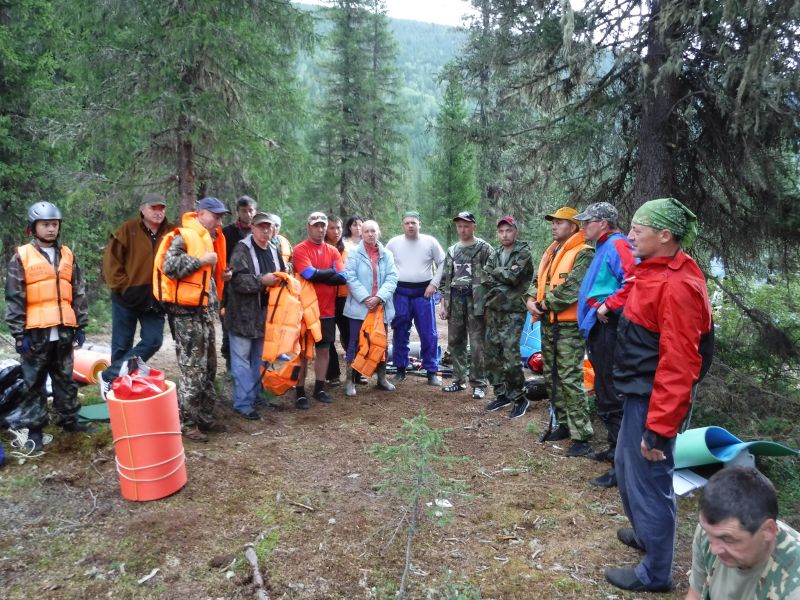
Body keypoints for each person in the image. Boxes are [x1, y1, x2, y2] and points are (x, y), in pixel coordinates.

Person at [605, 197, 713, 593]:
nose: (630, 234)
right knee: (627, 465)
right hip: (639, 392)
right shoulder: (656, 270)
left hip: (655, 399)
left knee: (649, 476)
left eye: (638, 228)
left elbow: (680, 364)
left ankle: (656, 571)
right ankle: (647, 537)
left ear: (664, 235)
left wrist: (659, 429)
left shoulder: (680, 285)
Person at [4, 201, 91, 450]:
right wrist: (19, 335)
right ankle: (34, 428)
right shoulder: (21, 257)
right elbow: (14, 298)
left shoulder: (67, 255)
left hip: (63, 330)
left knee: (65, 377)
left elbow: (78, 292)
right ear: (34, 227)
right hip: (36, 333)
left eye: (54, 224)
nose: (51, 229)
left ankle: (69, 419)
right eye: (45, 224)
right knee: (34, 382)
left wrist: (81, 325)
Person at [154, 197, 229, 443]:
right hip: (185, 315)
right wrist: (200, 261)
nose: (219, 219)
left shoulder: (210, 238)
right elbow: (169, 266)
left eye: (221, 216)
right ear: (200, 214)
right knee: (192, 370)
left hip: (204, 313)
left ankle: (205, 417)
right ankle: (187, 423)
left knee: (209, 368)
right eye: (215, 215)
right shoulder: (183, 236)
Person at [575, 202, 637, 488]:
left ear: (604, 223)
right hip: (599, 330)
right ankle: (615, 450)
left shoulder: (618, 245)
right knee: (604, 390)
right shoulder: (603, 247)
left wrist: (608, 307)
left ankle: (621, 467)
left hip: (611, 329)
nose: (583, 226)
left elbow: (634, 280)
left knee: (612, 393)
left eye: (588, 221)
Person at [526, 207, 595, 456]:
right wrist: (531, 299)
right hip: (548, 323)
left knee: (570, 377)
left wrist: (543, 305)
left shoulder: (584, 253)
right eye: (553, 222)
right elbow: (538, 280)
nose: (554, 226)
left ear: (574, 227)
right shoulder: (552, 251)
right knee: (552, 374)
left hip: (568, 325)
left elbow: (572, 289)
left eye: (560, 223)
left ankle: (582, 436)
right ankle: (564, 424)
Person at [686, 466, 800, 600]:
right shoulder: (710, 532)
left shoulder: (794, 588)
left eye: (727, 539)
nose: (714, 549)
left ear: (768, 531)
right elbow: (695, 594)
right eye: (708, 532)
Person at [100, 193, 172, 399]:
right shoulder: (127, 230)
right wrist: (125, 288)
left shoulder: (172, 231)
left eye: (161, 208)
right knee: (121, 345)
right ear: (142, 209)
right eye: (153, 208)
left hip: (157, 300)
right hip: (126, 299)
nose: (158, 212)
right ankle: (116, 391)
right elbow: (111, 264)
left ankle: (110, 376)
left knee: (153, 340)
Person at [226, 212, 286, 420]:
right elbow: (236, 281)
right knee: (241, 361)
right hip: (242, 316)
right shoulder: (242, 249)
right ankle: (243, 403)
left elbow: (283, 273)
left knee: (259, 359)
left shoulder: (273, 248)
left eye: (268, 227)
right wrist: (262, 281)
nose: (265, 230)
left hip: (265, 316)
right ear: (252, 227)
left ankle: (256, 395)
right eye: (261, 227)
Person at [292, 211, 346, 409]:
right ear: (309, 227)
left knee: (324, 350)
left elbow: (342, 277)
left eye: (323, 225)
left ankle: (319, 388)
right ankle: (299, 391)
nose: (320, 229)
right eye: (316, 225)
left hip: (327, 310)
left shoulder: (333, 250)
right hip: (305, 310)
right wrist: (329, 273)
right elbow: (307, 273)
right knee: (303, 353)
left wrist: (319, 274)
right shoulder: (300, 249)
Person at [482, 216, 535, 418]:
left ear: (516, 231)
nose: (505, 235)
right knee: (492, 353)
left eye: (509, 231)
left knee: (510, 356)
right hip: (494, 309)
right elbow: (485, 277)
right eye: (501, 231)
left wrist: (497, 275)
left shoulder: (523, 252)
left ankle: (519, 397)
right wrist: (500, 277)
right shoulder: (495, 253)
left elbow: (514, 278)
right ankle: (502, 393)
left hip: (513, 310)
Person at [386, 211, 445, 385]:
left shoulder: (430, 242)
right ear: (402, 225)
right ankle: (400, 368)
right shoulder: (393, 243)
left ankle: (431, 370)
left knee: (429, 333)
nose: (410, 225)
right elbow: (385, 264)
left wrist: (434, 284)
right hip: (400, 292)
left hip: (423, 293)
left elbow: (442, 262)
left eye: (413, 222)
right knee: (400, 331)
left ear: (420, 224)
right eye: (407, 223)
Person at [439, 211, 493, 399]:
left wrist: (488, 304)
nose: (463, 229)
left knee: (478, 343)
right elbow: (445, 279)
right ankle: (458, 379)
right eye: (460, 226)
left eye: (466, 226)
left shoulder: (484, 248)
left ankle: (479, 383)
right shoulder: (452, 250)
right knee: (455, 341)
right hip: (455, 299)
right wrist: (444, 304)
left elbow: (493, 277)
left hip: (476, 301)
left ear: (474, 227)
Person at [343, 220, 398, 396]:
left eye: (373, 231)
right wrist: (366, 298)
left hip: (381, 307)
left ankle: (381, 378)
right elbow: (350, 277)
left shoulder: (387, 254)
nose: (370, 234)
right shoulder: (353, 254)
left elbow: (392, 277)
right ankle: (350, 380)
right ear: (361, 234)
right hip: (360, 308)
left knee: (381, 343)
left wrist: (379, 297)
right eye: (366, 231)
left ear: (378, 232)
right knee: (354, 343)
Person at [220, 195, 257, 371]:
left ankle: (252, 365)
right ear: (237, 212)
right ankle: (230, 365)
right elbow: (222, 256)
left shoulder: (260, 231)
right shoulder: (227, 232)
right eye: (244, 211)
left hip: (254, 286)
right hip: (230, 286)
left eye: (250, 210)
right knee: (228, 324)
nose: (247, 214)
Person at [325, 215, 349, 386]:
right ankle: (333, 374)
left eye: (339, 227)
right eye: (332, 228)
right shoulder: (321, 249)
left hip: (345, 298)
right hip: (326, 298)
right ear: (326, 230)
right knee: (328, 337)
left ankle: (355, 373)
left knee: (349, 336)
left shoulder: (348, 249)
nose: (336, 231)